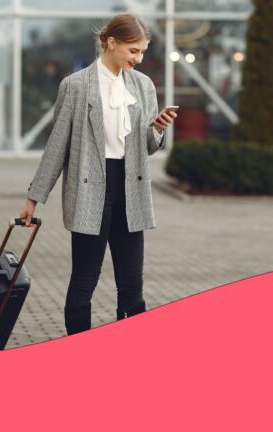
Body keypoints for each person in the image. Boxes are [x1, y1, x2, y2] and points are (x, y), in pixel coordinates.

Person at [20, 13, 177, 335]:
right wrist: (34, 197)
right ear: (111, 42)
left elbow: (147, 147)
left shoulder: (143, 85)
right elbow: (57, 145)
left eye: (143, 51)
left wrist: (158, 130)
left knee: (132, 284)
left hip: (130, 189)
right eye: (133, 50)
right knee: (84, 280)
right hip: (91, 188)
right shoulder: (75, 86)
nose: (139, 58)